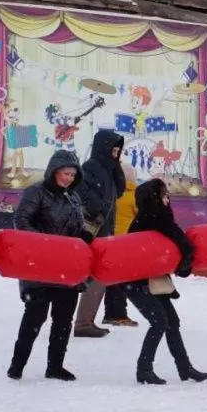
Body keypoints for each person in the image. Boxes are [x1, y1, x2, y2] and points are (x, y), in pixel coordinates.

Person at [8, 150, 92, 382]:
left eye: (73, 175)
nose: (69, 178)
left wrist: (82, 236)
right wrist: (47, 244)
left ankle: (55, 366)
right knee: (35, 316)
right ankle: (17, 365)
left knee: (63, 319)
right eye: (66, 173)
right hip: (40, 266)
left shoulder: (73, 197)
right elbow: (22, 221)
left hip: (67, 267)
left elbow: (74, 227)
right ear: (54, 171)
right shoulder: (36, 193)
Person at [122, 178, 207, 385]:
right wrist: (185, 261)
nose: (167, 199)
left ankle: (185, 368)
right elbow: (182, 243)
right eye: (163, 195)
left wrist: (183, 261)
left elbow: (178, 244)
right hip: (138, 283)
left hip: (153, 280)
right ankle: (144, 369)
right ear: (152, 199)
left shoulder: (157, 219)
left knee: (172, 322)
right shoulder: (150, 220)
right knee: (160, 322)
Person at [74, 129, 125, 338]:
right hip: (93, 231)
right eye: (112, 150)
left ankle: (86, 321)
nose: (115, 154)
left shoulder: (108, 168)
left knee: (99, 276)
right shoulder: (90, 167)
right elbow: (81, 192)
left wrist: (116, 166)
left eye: (117, 151)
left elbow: (119, 191)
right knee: (96, 276)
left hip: (105, 230)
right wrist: (99, 209)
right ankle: (82, 323)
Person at [103, 164, 139, 327]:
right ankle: (119, 314)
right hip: (126, 243)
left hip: (110, 241)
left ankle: (109, 313)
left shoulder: (112, 194)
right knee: (121, 282)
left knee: (112, 281)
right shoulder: (134, 196)